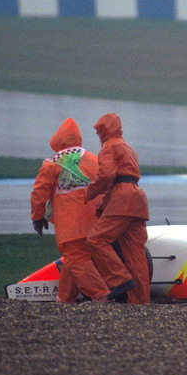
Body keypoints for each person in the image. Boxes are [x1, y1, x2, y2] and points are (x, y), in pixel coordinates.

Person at [30, 118, 111, 303]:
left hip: (70, 222)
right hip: (97, 219)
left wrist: (37, 217)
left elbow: (39, 192)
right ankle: (64, 299)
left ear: (57, 141)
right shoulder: (94, 159)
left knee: (75, 258)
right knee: (75, 259)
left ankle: (101, 294)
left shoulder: (52, 163)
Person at [85, 113, 150, 304]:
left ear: (105, 130)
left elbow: (106, 176)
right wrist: (105, 201)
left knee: (96, 240)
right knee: (135, 253)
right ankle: (140, 302)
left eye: (99, 131)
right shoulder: (128, 148)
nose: (98, 135)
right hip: (138, 198)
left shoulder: (109, 146)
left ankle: (120, 280)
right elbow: (125, 176)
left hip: (123, 198)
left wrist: (90, 192)